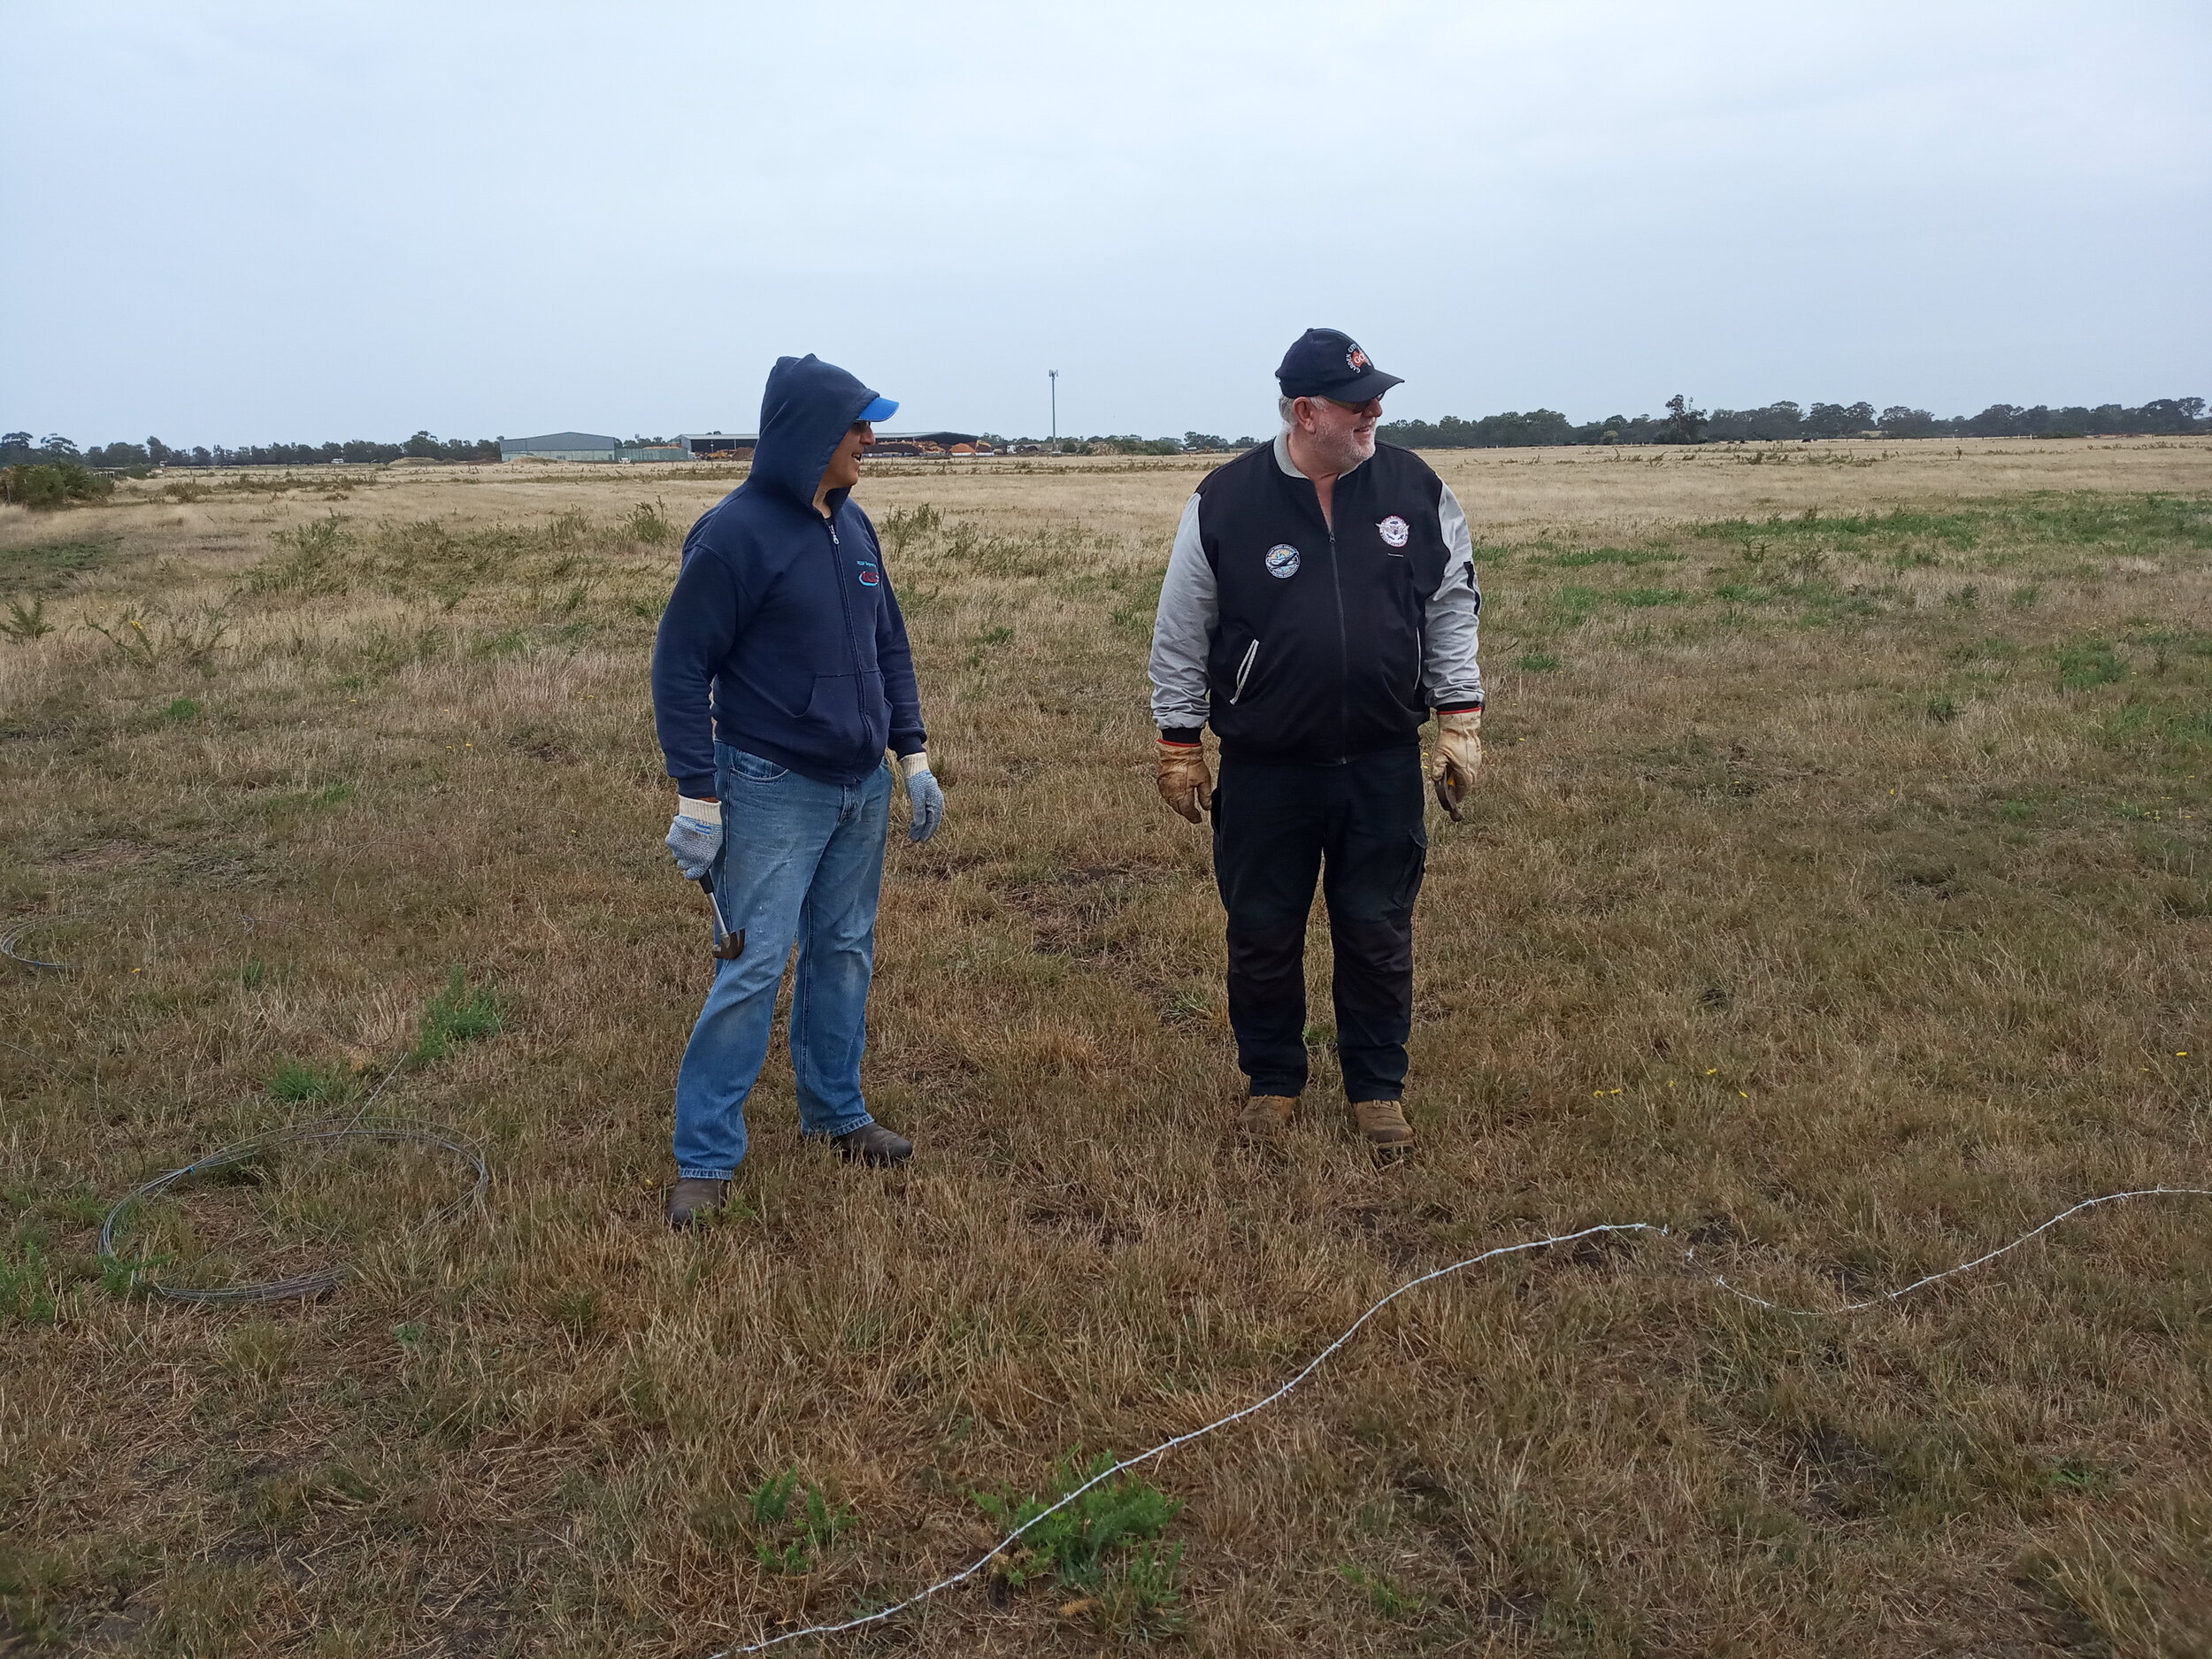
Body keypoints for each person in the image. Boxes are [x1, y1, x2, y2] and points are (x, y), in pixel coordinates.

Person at [1147, 328, 1483, 1158]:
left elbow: (1450, 606)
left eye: (1377, 399)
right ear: (1306, 411)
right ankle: (1273, 1081)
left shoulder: (1418, 487)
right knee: (1262, 930)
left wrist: (1460, 719)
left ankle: (1377, 1089)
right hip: (1267, 769)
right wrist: (1179, 740)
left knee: (1376, 928)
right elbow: (1183, 627)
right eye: (1356, 402)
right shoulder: (1226, 499)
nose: (1375, 413)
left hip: (1377, 763)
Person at [651, 354, 945, 1227]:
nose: (870, 438)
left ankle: (837, 1114)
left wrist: (913, 754)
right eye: (858, 425)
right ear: (811, 434)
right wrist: (698, 798)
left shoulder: (854, 529)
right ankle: (705, 1156)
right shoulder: (732, 535)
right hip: (773, 785)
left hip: (861, 787)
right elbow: (679, 668)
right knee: (752, 967)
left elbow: (887, 645)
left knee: (845, 951)